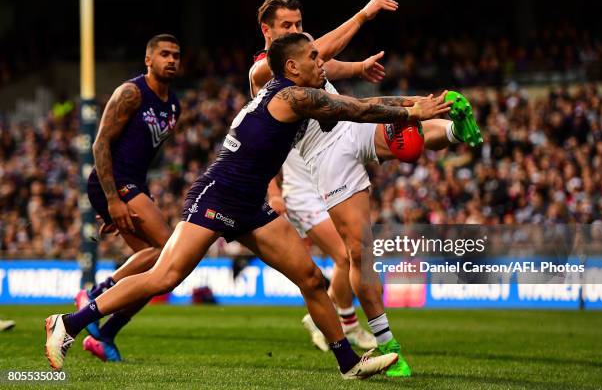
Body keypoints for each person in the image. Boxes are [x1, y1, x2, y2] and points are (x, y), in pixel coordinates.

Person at [45, 33, 451, 378]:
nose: (321, 60)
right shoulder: (293, 96)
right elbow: (359, 109)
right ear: (292, 67)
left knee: (310, 278)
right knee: (165, 276)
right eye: (313, 56)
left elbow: (362, 103)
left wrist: (418, 103)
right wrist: (412, 112)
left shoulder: (297, 93)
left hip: (251, 204)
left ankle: (348, 363)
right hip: (219, 193)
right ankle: (68, 323)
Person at [252, 0, 395, 352]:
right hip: (301, 186)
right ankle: (338, 322)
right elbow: (323, 51)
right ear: (266, 30)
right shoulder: (261, 70)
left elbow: (329, 64)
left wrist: (359, 67)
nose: (297, 32)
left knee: (354, 252)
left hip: (331, 170)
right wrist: (362, 15)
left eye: (299, 25)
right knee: (348, 255)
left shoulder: (306, 64)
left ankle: (337, 320)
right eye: (287, 26)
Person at [77, 34, 182, 362]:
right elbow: (100, 144)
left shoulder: (173, 105)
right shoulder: (131, 92)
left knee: (158, 275)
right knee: (169, 249)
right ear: (148, 60)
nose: (172, 60)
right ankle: (95, 295)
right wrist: (111, 200)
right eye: (164, 54)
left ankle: (106, 333)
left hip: (133, 186)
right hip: (116, 184)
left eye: (176, 55)